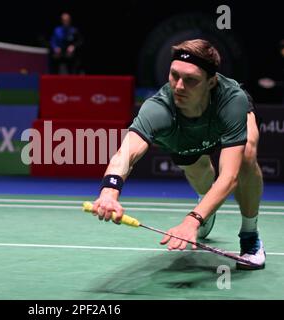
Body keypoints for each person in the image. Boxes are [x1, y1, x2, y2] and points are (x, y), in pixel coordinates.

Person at [92, 39, 266, 270]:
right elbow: (125, 154)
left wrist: (192, 220)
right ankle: (206, 205)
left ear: (211, 82)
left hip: (219, 118)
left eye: (191, 80)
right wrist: (109, 193)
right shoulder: (158, 108)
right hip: (184, 134)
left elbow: (229, 177)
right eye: (174, 75)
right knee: (199, 173)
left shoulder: (231, 100)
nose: (179, 86)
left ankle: (250, 235)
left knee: (246, 156)